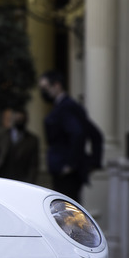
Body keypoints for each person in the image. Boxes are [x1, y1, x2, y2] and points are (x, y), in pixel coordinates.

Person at [38, 70, 103, 203]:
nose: (43, 93)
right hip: (64, 172)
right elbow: (95, 135)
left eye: (45, 88)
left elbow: (80, 134)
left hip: (67, 175)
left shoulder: (66, 107)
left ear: (57, 85)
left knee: (67, 214)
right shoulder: (67, 106)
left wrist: (70, 165)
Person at [0, 109, 40, 184]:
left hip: (21, 180)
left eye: (21, 119)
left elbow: (33, 164)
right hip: (2, 178)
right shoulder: (2, 136)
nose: (19, 121)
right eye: (18, 119)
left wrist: (30, 182)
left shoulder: (32, 140)